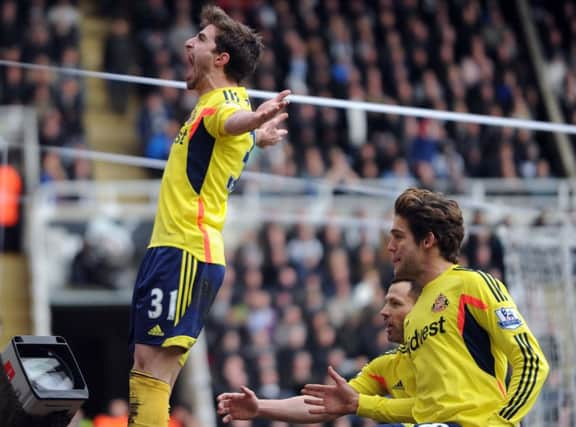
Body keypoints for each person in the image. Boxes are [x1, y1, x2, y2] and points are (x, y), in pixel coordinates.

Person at [128, 5, 291, 426]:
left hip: (186, 250)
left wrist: (253, 122)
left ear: (221, 59)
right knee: (150, 368)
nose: (189, 42)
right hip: (176, 248)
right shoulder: (215, 104)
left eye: (200, 39)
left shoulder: (223, 103)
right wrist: (258, 133)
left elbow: (231, 122)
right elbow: (230, 135)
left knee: (151, 368)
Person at [302, 187, 549, 426]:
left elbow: (531, 361)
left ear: (428, 240)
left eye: (399, 236)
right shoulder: (415, 315)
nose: (390, 246)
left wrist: (499, 423)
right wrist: (360, 404)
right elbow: (424, 407)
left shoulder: (473, 284)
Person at [216, 278, 420, 425]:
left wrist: (361, 403)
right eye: (385, 302)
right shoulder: (385, 366)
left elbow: (437, 407)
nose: (384, 311)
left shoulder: (444, 351)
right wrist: (260, 407)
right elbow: (323, 405)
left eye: (395, 303)